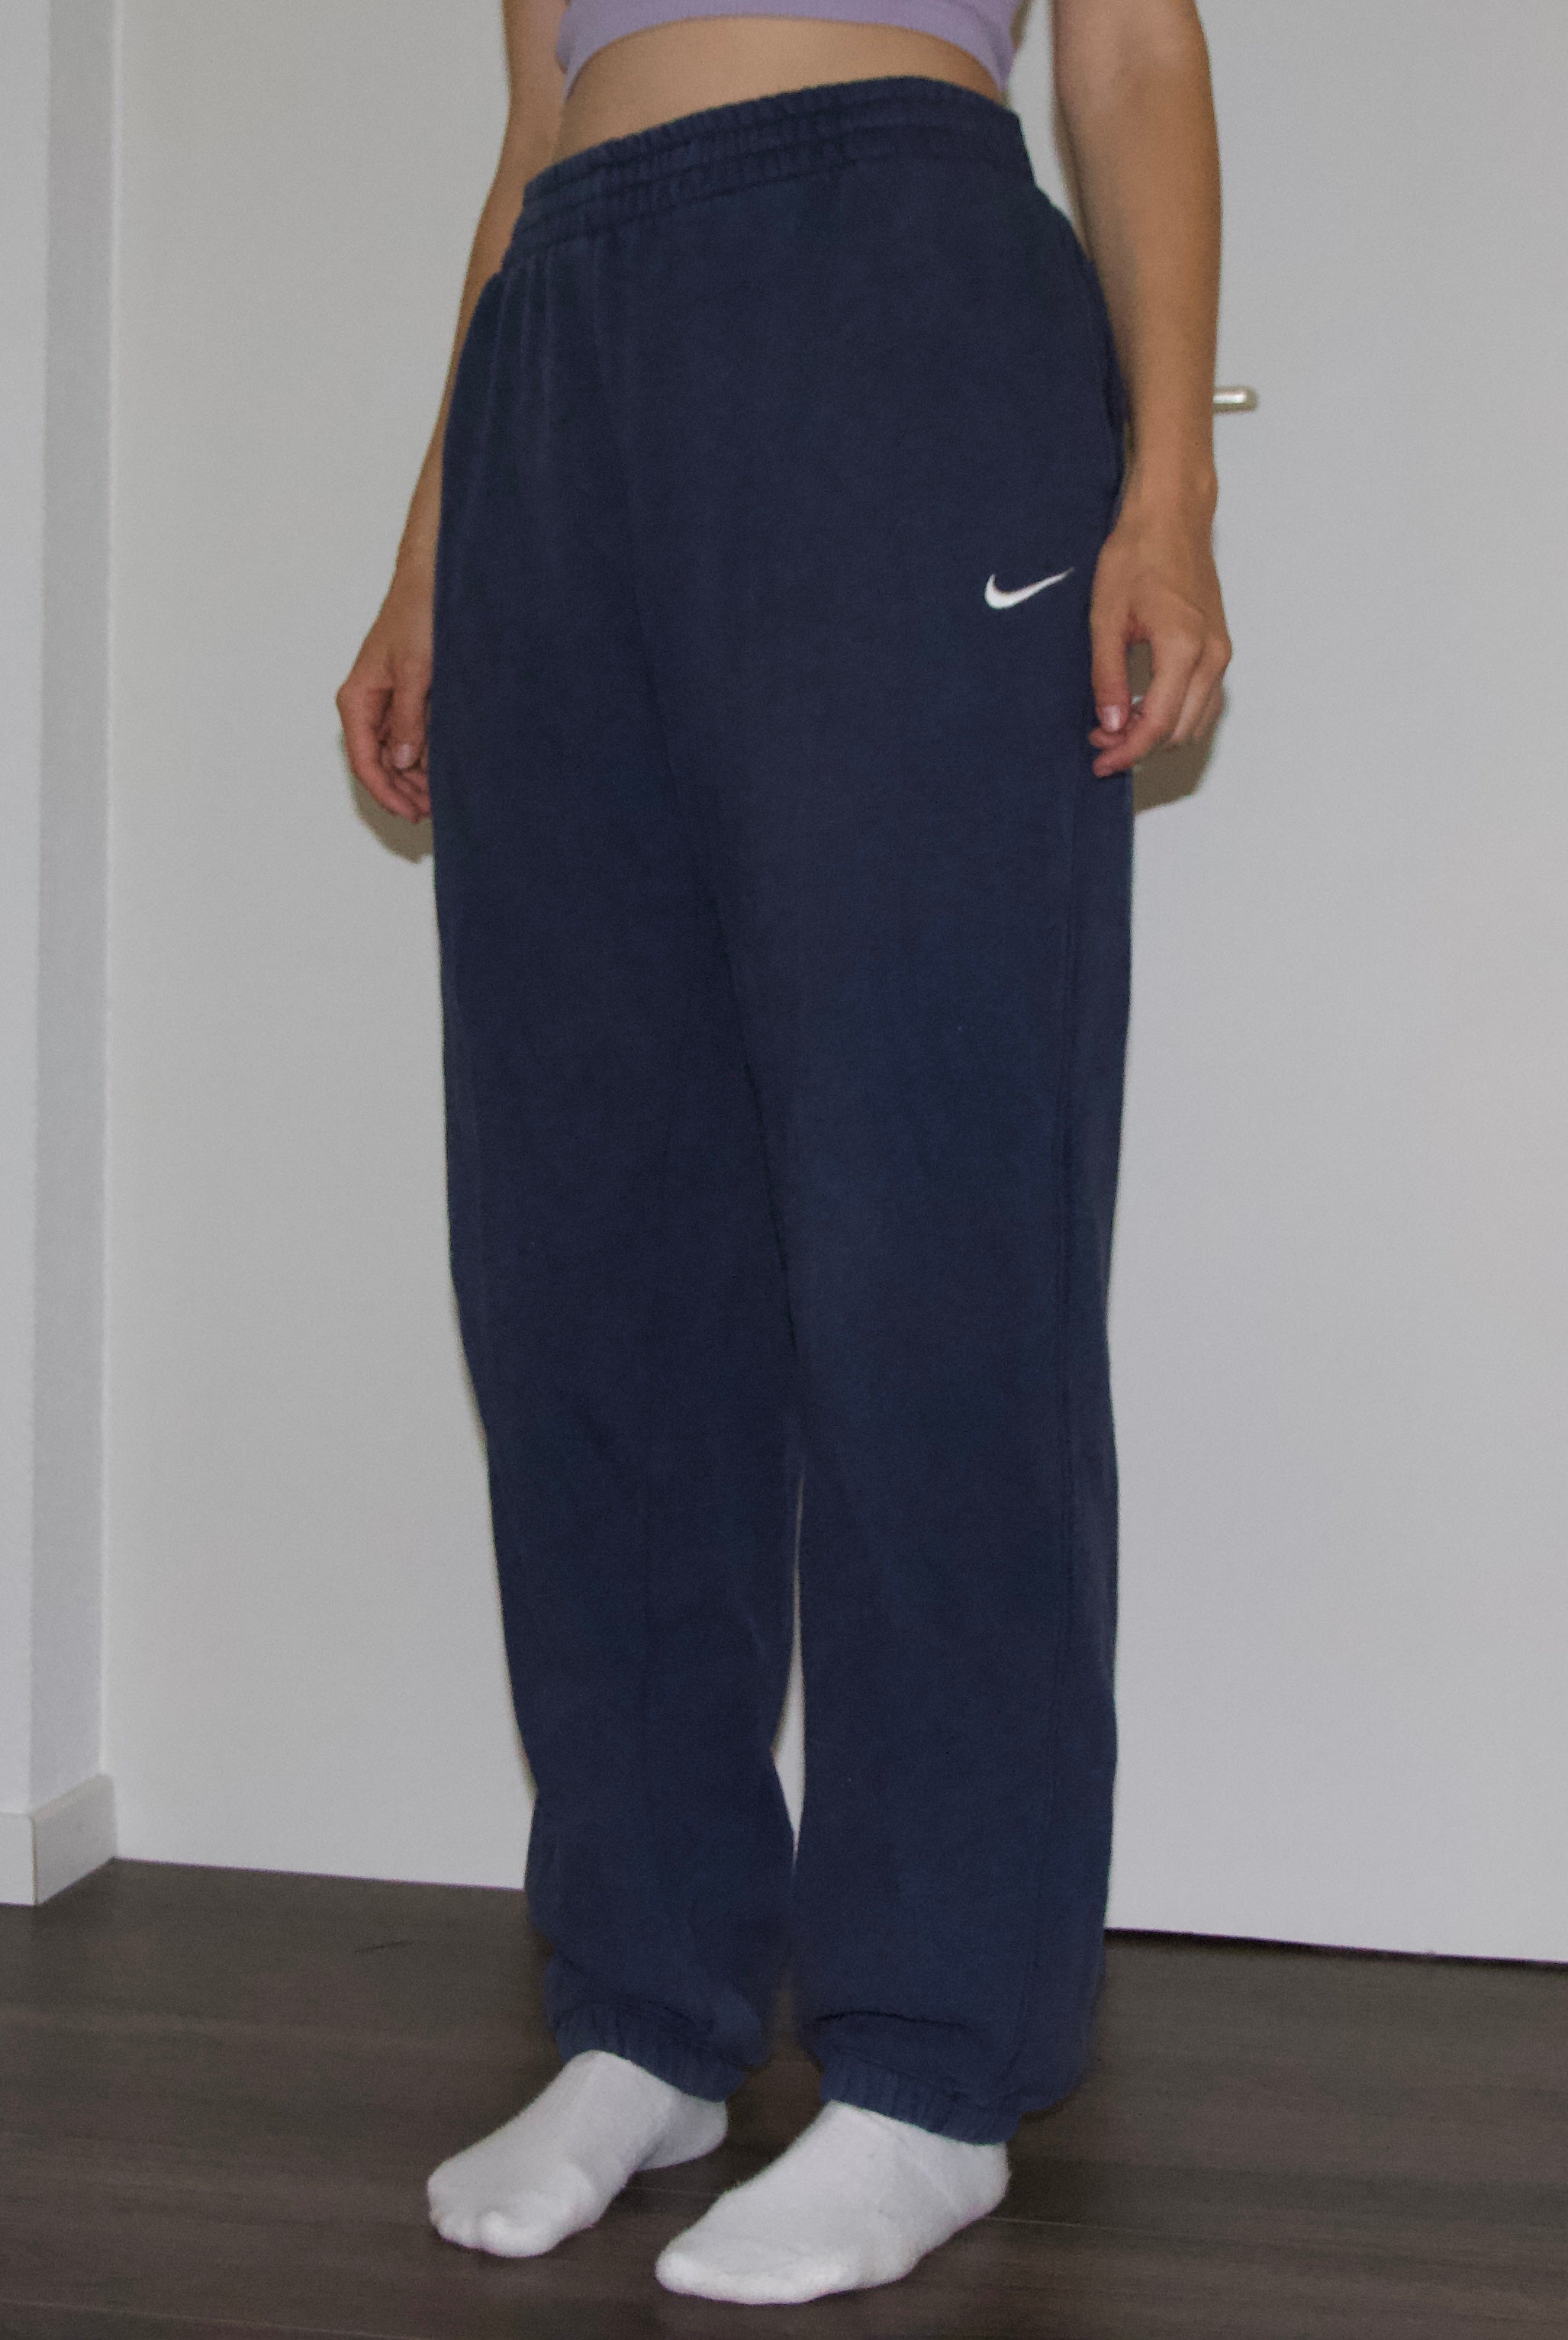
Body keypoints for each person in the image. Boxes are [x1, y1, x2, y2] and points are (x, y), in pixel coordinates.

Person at [337, 0, 1228, 2306]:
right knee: (593, 1248)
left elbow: (1131, 57)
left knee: (929, 1216)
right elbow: (531, 131)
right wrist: (435, 548)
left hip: (895, 291)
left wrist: (1167, 492)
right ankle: (646, 2005)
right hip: (566, 353)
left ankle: (935, 2059)